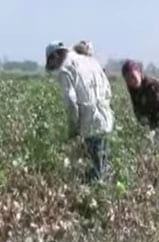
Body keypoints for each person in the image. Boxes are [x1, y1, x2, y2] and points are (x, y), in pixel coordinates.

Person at [45, 41, 114, 182]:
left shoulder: (66, 69)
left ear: (56, 55)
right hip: (106, 121)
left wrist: (73, 130)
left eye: (52, 64)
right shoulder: (92, 62)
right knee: (101, 167)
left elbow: (71, 103)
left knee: (94, 174)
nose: (55, 68)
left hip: (90, 125)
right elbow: (108, 91)